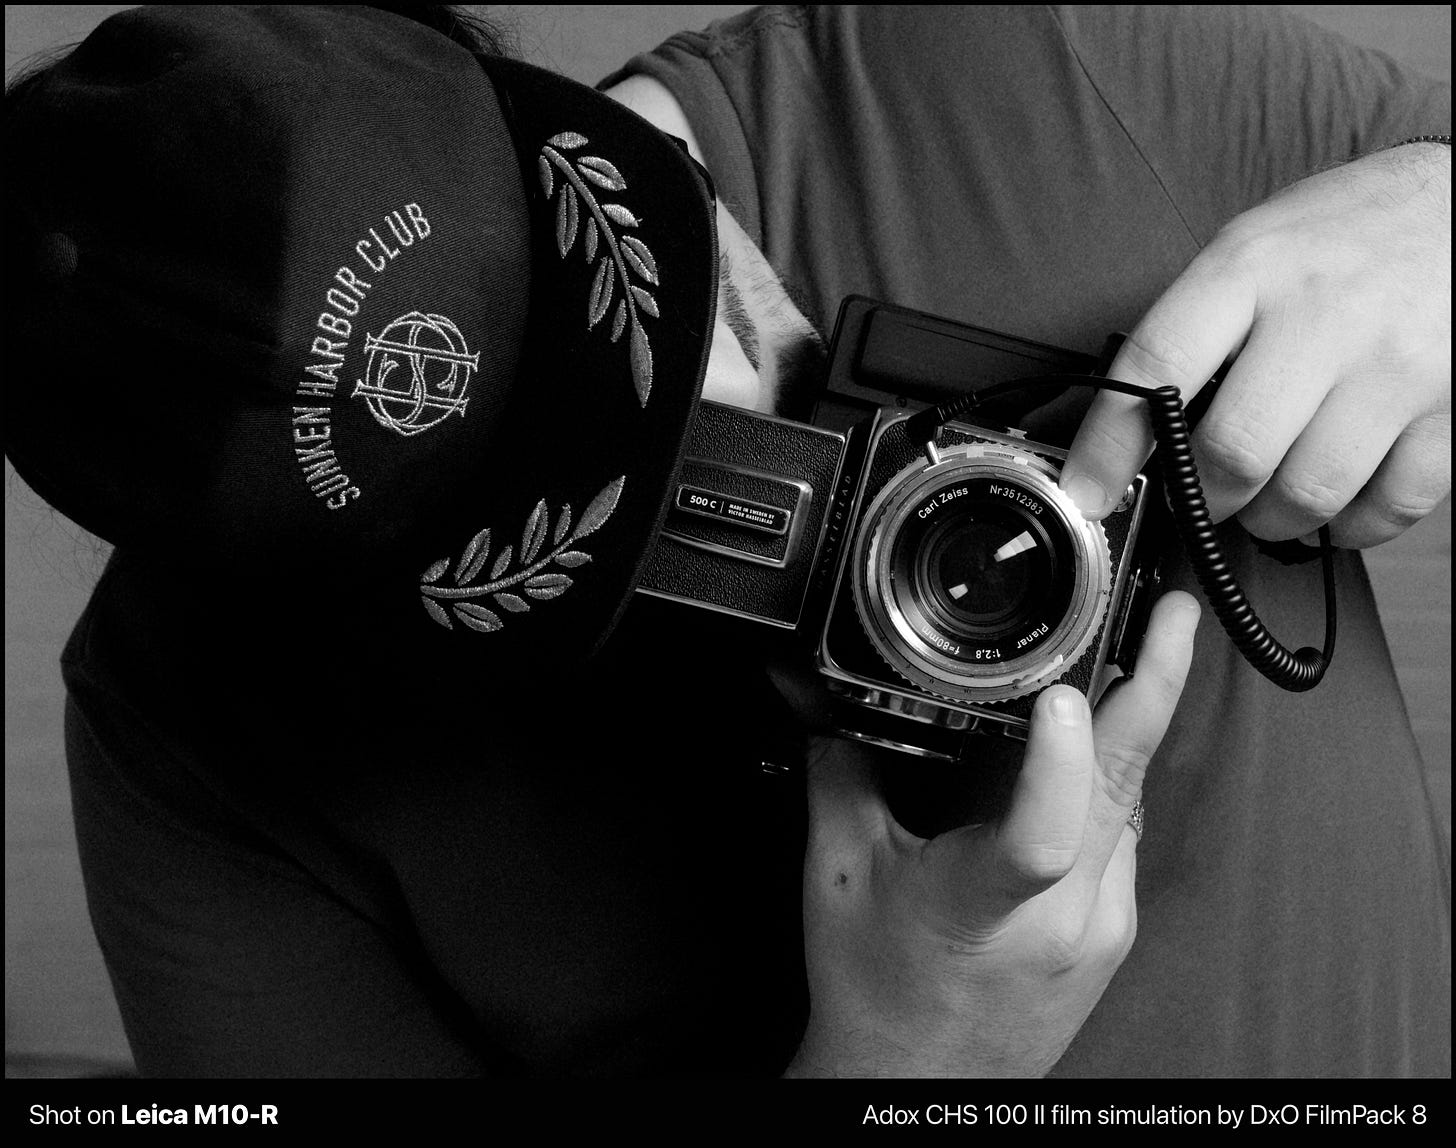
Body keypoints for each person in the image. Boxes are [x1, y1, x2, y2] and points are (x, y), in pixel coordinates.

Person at [3, 5, 1447, 1079]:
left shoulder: (1014, 65)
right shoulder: (179, 743)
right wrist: (904, 1062)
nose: (741, 496)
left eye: (612, 348)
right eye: (597, 521)